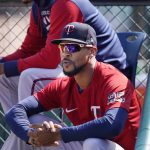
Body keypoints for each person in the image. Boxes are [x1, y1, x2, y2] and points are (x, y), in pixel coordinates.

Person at [5, 22, 141, 150]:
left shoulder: (114, 80)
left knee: (93, 143)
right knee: (32, 123)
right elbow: (15, 111)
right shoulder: (63, 85)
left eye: (72, 47)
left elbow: (113, 125)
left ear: (92, 52)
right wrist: (31, 136)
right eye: (62, 47)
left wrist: (58, 134)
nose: (66, 53)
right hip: (85, 144)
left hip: (123, 147)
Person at [0, 0, 128, 114]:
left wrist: (5, 67)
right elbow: (29, 50)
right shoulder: (39, 6)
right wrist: (2, 64)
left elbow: (50, 59)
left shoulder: (65, 3)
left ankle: (30, 132)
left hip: (103, 73)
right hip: (78, 68)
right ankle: (21, 128)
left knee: (29, 76)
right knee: (3, 77)